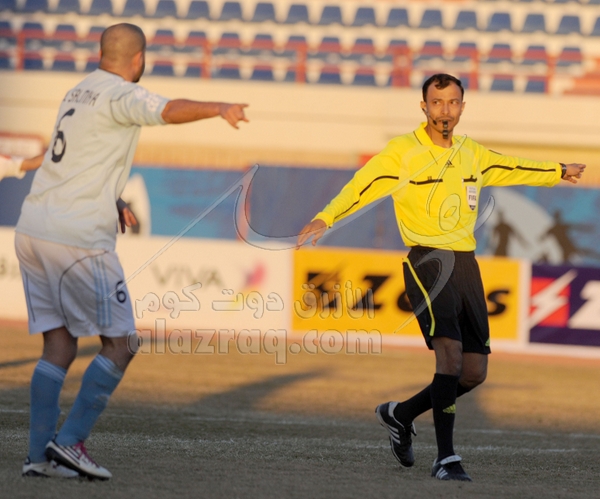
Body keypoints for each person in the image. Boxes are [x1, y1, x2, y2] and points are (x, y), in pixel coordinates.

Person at [296, 73, 585, 482]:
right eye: (436, 102)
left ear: (462, 107)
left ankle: (401, 414)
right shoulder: (402, 152)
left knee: (474, 372)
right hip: (427, 261)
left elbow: (514, 166)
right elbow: (361, 186)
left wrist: (559, 170)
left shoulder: (472, 154)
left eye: (452, 102)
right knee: (449, 356)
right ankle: (446, 459)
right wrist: (325, 217)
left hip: (466, 265)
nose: (444, 110)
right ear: (424, 107)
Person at [15, 22, 249, 480]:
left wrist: (114, 196)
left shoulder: (79, 91)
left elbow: (75, 158)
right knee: (123, 343)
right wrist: (219, 107)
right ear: (139, 59)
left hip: (33, 228)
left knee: (58, 344)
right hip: (77, 237)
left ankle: (38, 457)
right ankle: (70, 442)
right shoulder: (123, 93)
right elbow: (167, 109)